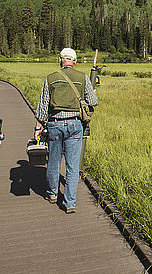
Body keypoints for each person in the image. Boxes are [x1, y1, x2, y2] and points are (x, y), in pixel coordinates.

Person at [35, 47, 98, 214]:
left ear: (60, 59)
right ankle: (70, 202)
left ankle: (52, 194)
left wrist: (37, 127)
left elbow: (43, 106)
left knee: (53, 162)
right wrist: (92, 93)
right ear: (74, 61)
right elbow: (93, 102)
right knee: (72, 165)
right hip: (75, 125)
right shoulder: (83, 77)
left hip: (55, 124)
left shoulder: (51, 78)